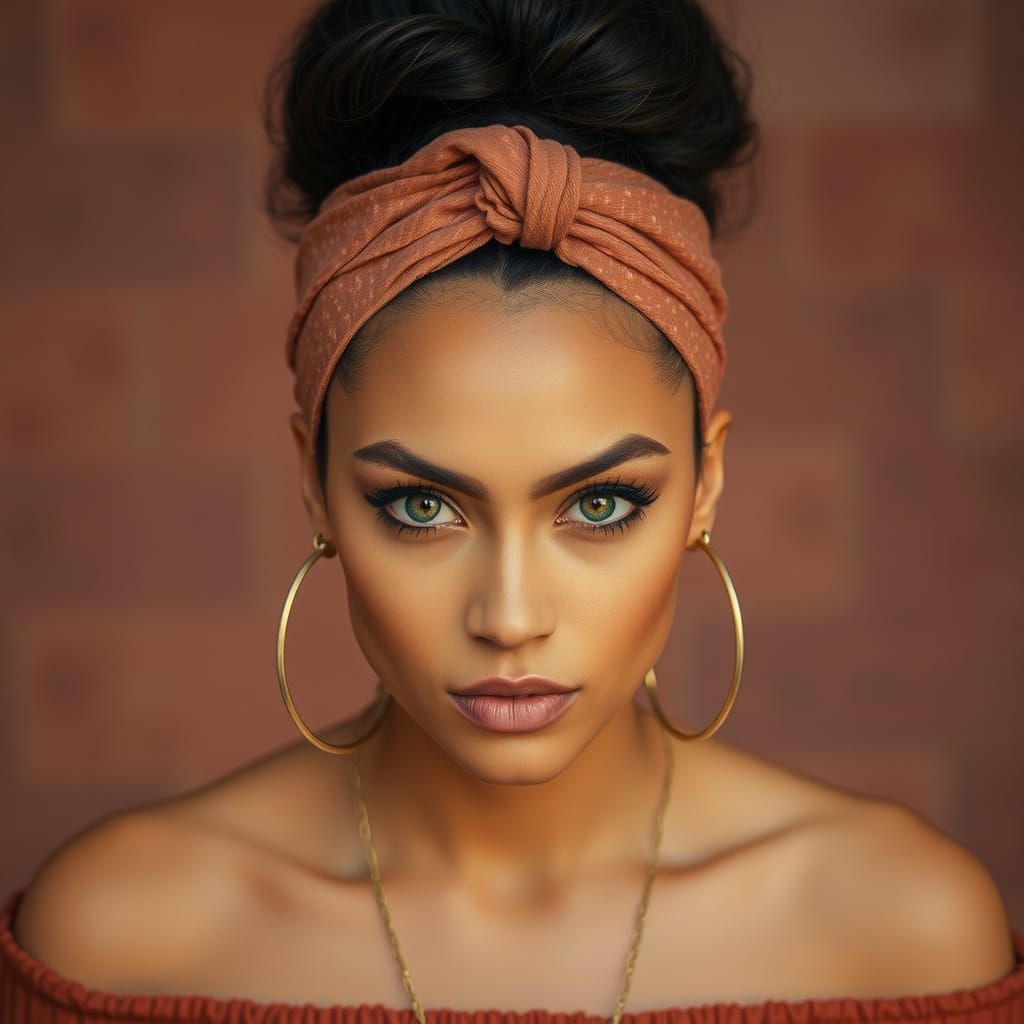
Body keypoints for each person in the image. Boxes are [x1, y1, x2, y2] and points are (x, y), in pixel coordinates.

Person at [1, 0, 1022, 1021]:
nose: (509, 614)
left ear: (706, 481)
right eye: (419, 506)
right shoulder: (128, 939)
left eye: (601, 501)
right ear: (313, 482)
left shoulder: (897, 932)